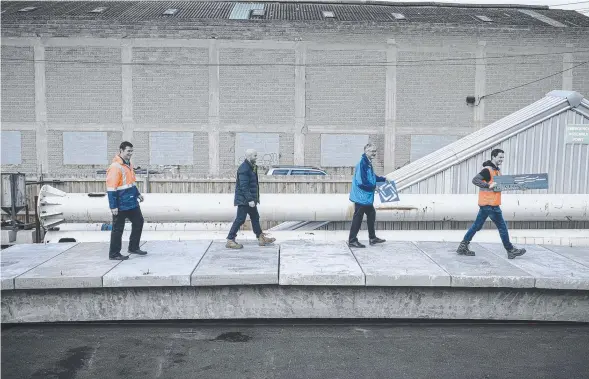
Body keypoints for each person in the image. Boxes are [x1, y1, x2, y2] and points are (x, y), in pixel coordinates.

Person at [456, 148, 526, 259]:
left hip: (488, 204)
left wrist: (520, 187)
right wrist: (488, 185)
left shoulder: (496, 171)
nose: (502, 159)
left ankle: (463, 246)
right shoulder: (487, 170)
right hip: (490, 205)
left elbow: (501, 185)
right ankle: (510, 249)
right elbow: (475, 180)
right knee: (502, 227)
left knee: (477, 226)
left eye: (503, 157)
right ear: (493, 157)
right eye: (500, 157)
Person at [226, 149, 276, 249]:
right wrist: (249, 199)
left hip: (250, 200)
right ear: (249, 157)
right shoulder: (244, 169)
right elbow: (244, 186)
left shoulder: (251, 167)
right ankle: (230, 240)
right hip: (244, 200)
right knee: (240, 219)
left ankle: (260, 237)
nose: (256, 158)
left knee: (255, 217)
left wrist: (252, 199)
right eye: (255, 156)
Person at [106, 141, 147, 260]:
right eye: (128, 151)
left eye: (131, 151)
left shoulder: (128, 165)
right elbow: (111, 188)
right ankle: (114, 254)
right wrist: (113, 206)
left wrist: (137, 194)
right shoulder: (115, 167)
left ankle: (133, 247)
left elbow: (130, 183)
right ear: (121, 151)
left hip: (131, 201)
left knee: (139, 221)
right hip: (120, 203)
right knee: (118, 229)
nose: (130, 153)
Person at [347, 143, 387, 248]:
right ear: (366, 151)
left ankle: (372, 238)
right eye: (372, 151)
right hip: (361, 197)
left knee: (371, 214)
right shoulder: (362, 163)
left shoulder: (367, 162)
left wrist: (383, 179)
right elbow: (362, 182)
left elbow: (371, 177)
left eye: (375, 151)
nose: (374, 153)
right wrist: (374, 187)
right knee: (358, 217)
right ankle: (352, 240)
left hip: (365, 197)